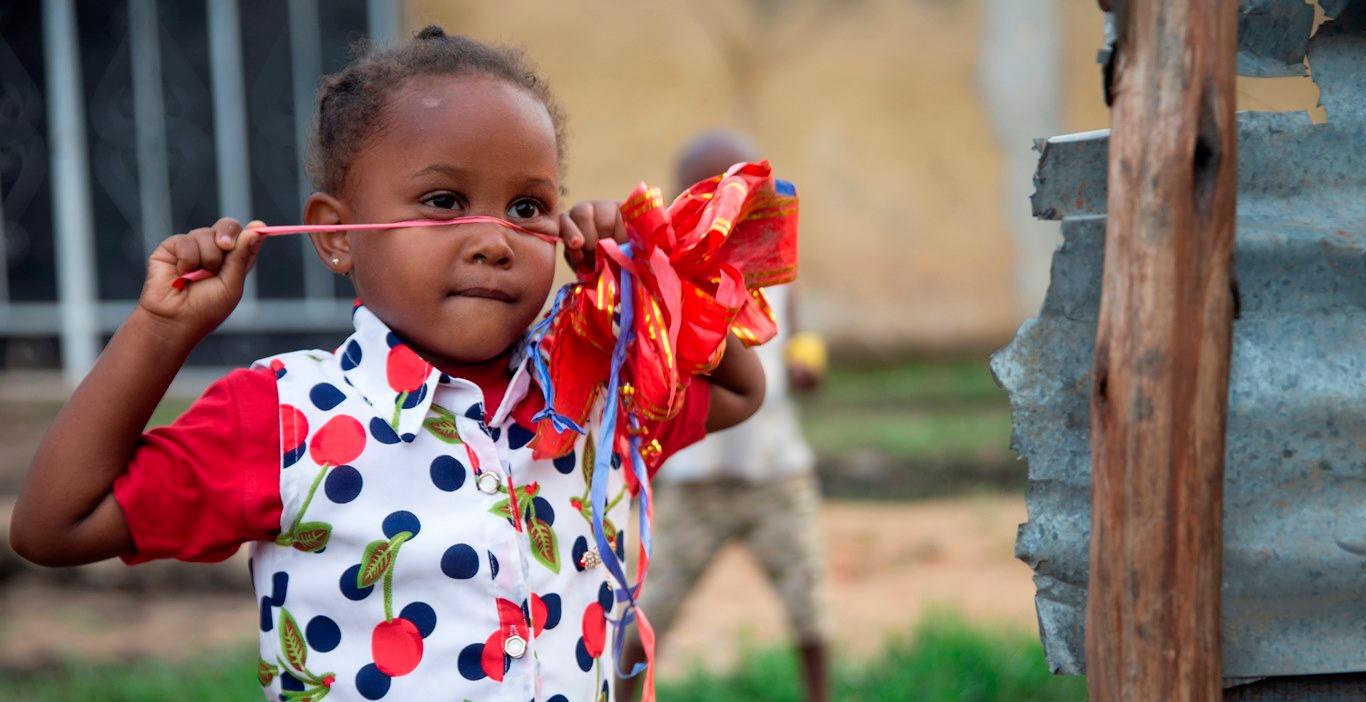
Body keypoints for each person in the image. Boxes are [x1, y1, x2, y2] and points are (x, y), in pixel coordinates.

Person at [8, 28, 765, 701]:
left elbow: (738, 389)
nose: (494, 240)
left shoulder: (585, 392)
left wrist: (645, 278)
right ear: (337, 237)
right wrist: (160, 333)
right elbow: (53, 526)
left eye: (528, 208)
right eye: (443, 200)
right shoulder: (285, 418)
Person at [618, 131, 830, 702]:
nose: (727, 203)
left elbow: (800, 340)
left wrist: (808, 362)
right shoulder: (663, 282)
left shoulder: (773, 277)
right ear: (684, 198)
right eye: (711, 189)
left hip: (775, 473)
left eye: (740, 189)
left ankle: (821, 694)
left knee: (809, 610)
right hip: (693, 482)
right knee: (646, 613)